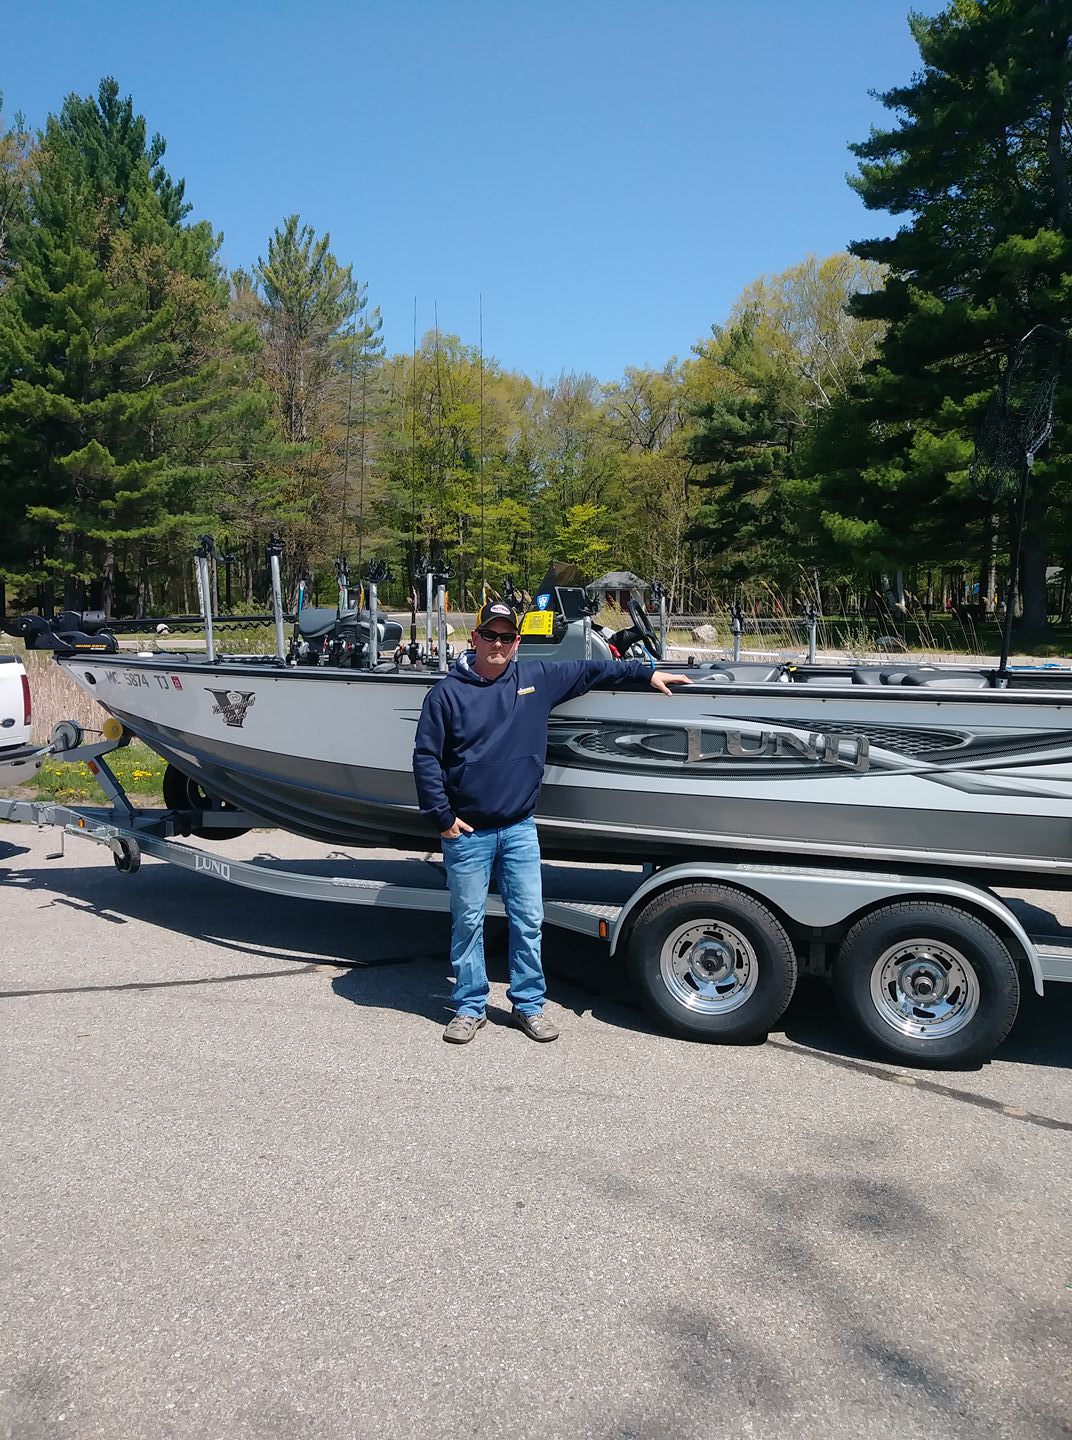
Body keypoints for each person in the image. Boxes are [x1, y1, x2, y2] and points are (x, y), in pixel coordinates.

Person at [412, 599, 693, 1044]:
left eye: (507, 637)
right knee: (468, 922)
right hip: (467, 832)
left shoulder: (537, 678)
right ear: (475, 638)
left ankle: (528, 1005)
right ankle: (469, 1006)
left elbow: (590, 670)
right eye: (490, 635)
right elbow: (426, 758)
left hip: (520, 828)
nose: (498, 644)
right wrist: (442, 818)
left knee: (528, 920)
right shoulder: (446, 693)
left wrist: (644, 672)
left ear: (517, 643)